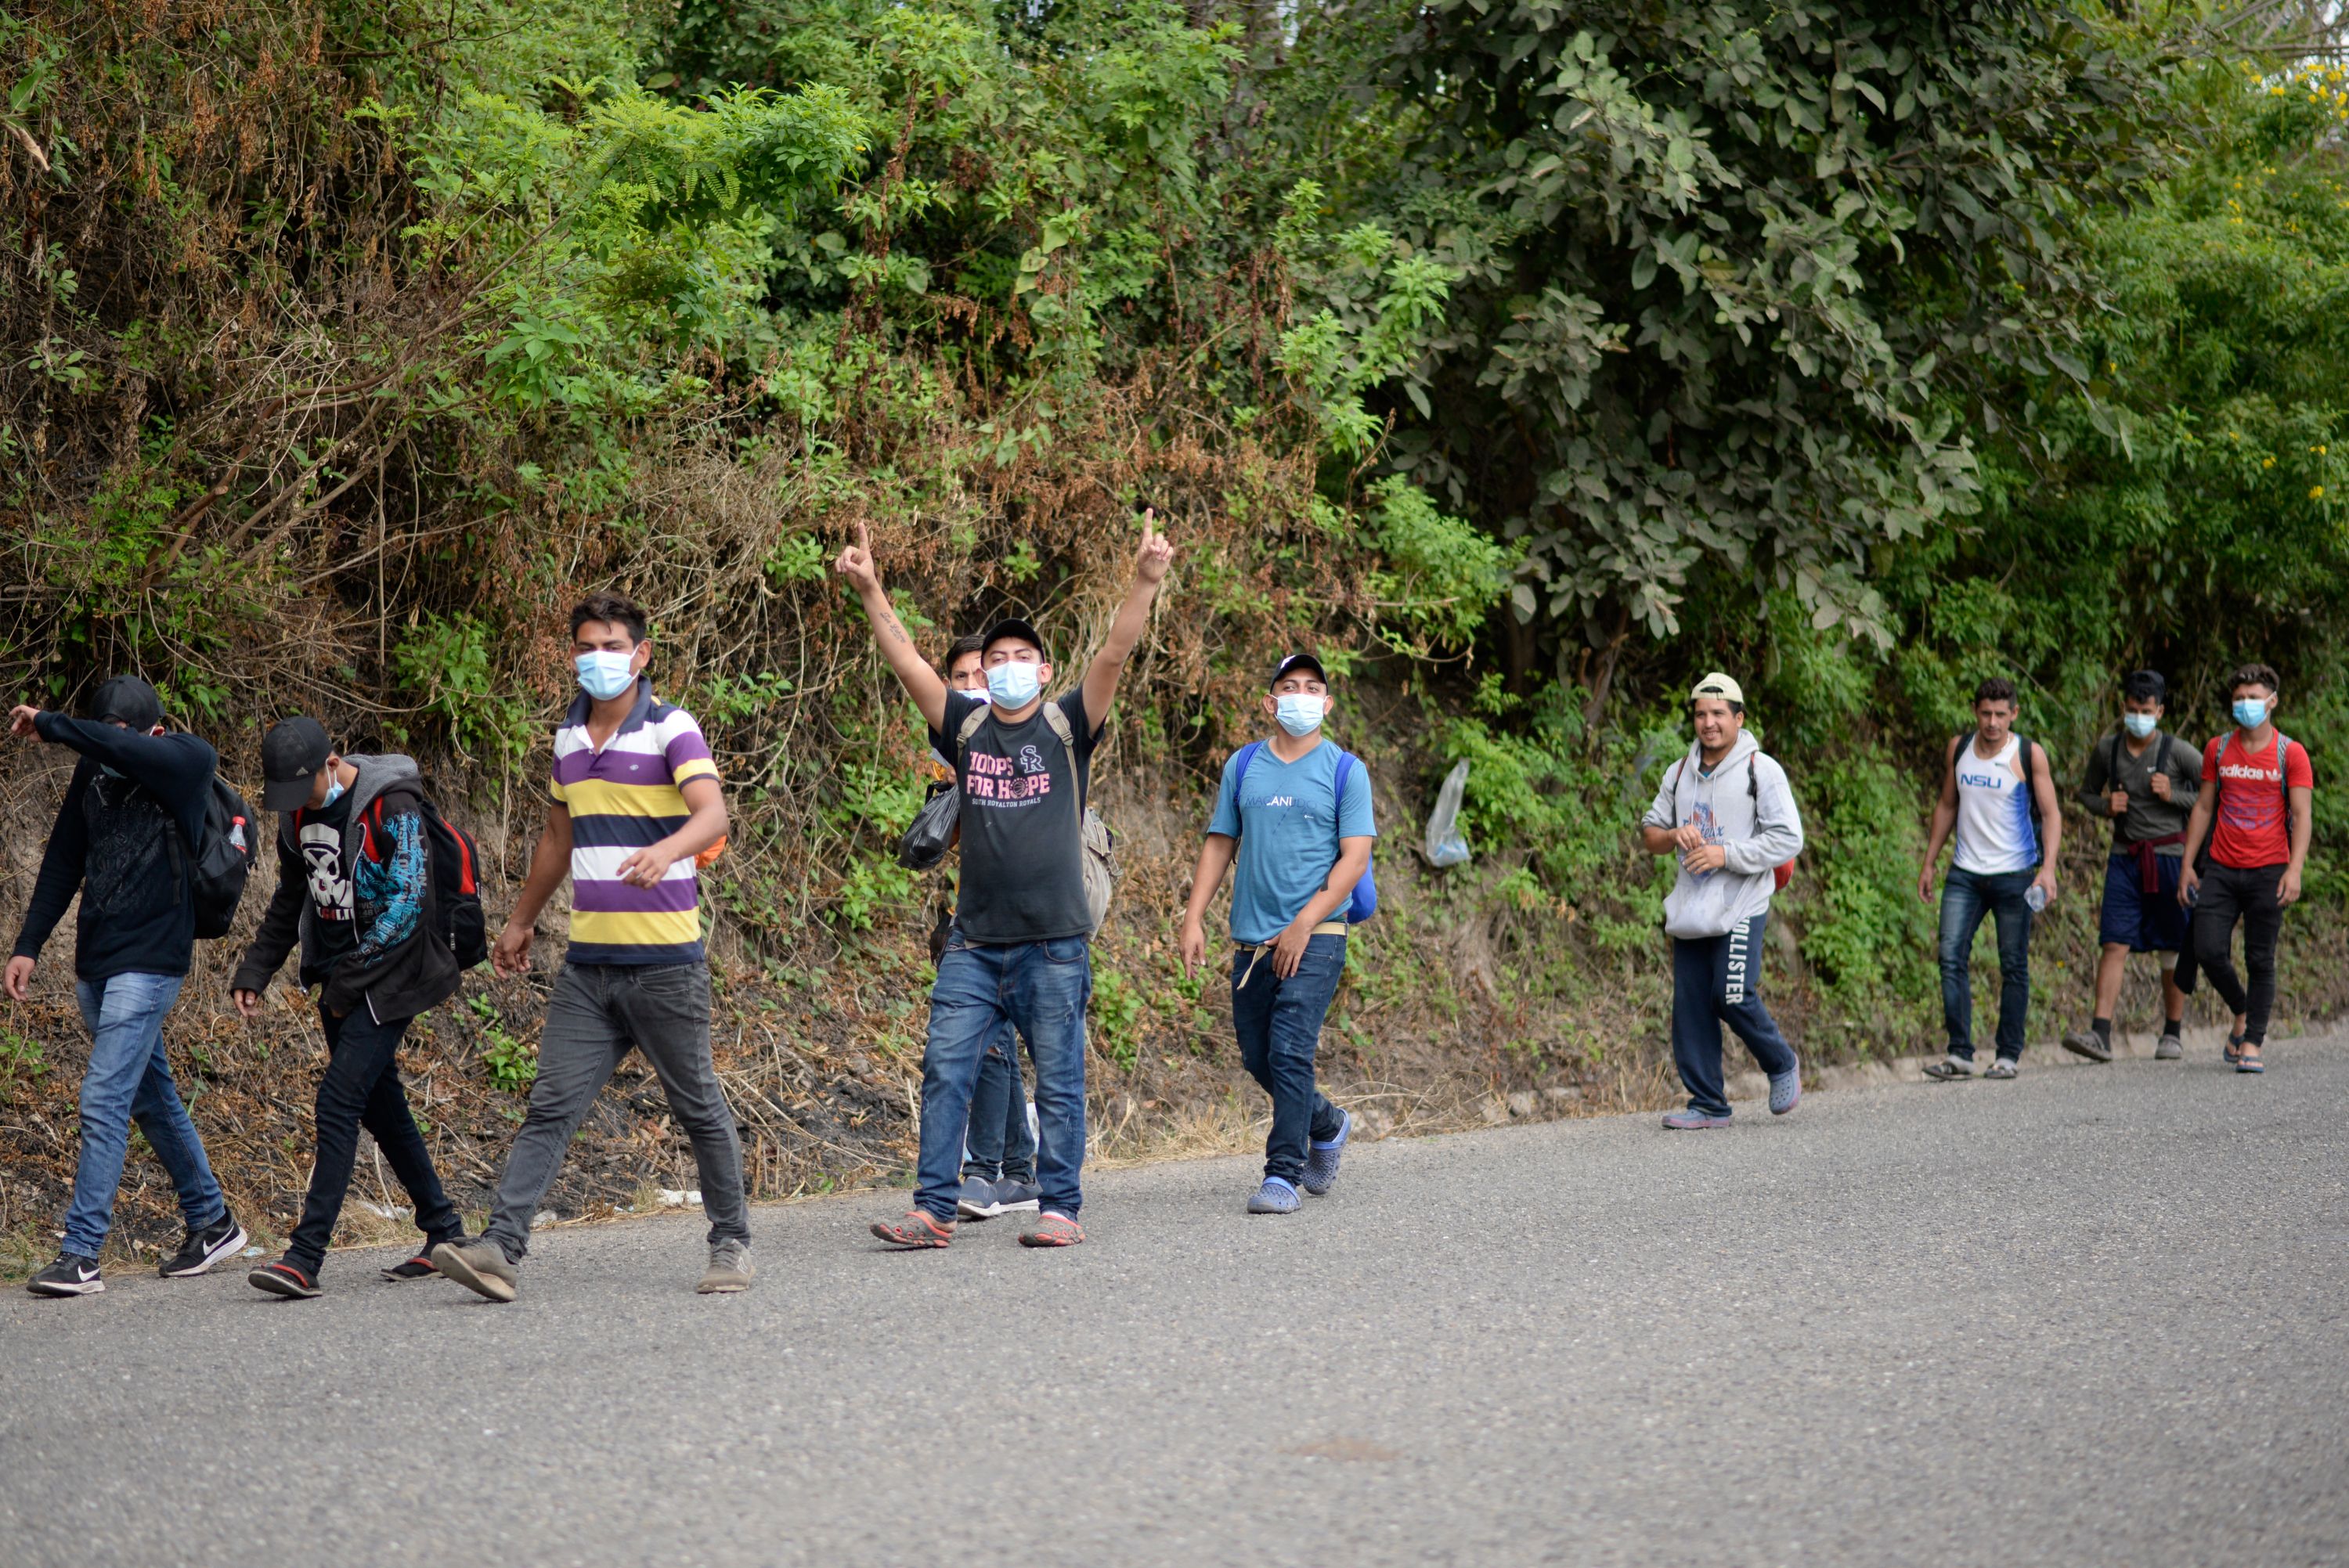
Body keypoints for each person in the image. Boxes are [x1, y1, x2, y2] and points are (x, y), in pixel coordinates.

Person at [842, 513, 1174, 1250]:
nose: (1011, 664)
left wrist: (1146, 579)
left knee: (1058, 1080)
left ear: (1046, 670)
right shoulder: (965, 728)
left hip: (1054, 945)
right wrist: (870, 587)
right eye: (999, 656)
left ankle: (1061, 1207)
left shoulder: (1066, 726)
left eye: (1026, 655)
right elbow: (907, 664)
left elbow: (1116, 651)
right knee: (945, 1070)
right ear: (984, 671)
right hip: (974, 944)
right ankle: (932, 1209)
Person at [432, 593, 751, 1300]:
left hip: (666, 964)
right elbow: (556, 839)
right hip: (588, 967)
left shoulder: (674, 729)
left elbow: (713, 814)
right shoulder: (569, 740)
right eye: (585, 646)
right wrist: (520, 920)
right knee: (550, 1105)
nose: (596, 658)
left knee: (697, 1105)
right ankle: (500, 1250)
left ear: (641, 655)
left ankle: (730, 1243)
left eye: (611, 645)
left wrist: (666, 850)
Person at [6, 680, 246, 1297]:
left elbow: (123, 747)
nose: (109, 747)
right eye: (102, 732)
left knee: (104, 1097)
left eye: (121, 735)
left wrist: (56, 724)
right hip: (98, 962)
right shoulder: (95, 770)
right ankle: (213, 1220)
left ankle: (81, 1253)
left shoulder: (187, 762)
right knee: (150, 1096)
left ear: (152, 734)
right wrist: (28, 944)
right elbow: (63, 858)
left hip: (152, 960)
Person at [229, 717, 468, 1298]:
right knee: (381, 1106)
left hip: (395, 975)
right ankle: (445, 1230)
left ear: (331, 764)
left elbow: (408, 903)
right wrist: (257, 968)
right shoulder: (297, 813)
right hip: (341, 976)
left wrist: (351, 983)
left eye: (304, 789)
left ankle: (303, 1256)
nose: (297, 805)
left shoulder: (394, 805)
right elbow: (292, 895)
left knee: (337, 1102)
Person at [1178, 653, 1375, 1210]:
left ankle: (1282, 1174)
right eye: (1289, 686)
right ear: (1270, 702)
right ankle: (1327, 1120)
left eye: (1313, 688)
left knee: (1289, 1049)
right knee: (1258, 1056)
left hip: (1319, 934)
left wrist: (1305, 922)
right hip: (1251, 941)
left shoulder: (1344, 770)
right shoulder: (1243, 767)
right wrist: (1194, 916)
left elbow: (1354, 859)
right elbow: (1220, 842)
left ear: (1327, 704)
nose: (1301, 696)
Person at [1636, 673, 1805, 1129]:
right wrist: (1672, 835)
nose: (1708, 723)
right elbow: (1650, 833)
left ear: (1738, 718)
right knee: (1690, 1004)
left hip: (1743, 901)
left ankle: (1781, 1062)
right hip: (1693, 905)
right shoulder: (1678, 773)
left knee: (1731, 995)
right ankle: (1708, 1104)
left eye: (1718, 714)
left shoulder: (1761, 770)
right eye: (1700, 714)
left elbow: (1788, 838)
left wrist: (1725, 854)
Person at [933, 633, 1040, 1222]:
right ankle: (1020, 1170)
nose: (975, 687)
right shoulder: (953, 737)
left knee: (992, 1041)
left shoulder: (1037, 735)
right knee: (993, 1036)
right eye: (962, 678)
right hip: (972, 912)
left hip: (1037, 913)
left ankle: (980, 1172)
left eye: (984, 673)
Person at [1918, 678, 2062, 1080]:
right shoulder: (1959, 749)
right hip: (1965, 872)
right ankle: (1960, 1053)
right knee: (1950, 957)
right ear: (1975, 712)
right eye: (1986, 713)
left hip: (2015, 875)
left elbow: (2051, 814)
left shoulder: (2029, 754)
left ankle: (2008, 1055)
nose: (1993, 722)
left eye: (2001, 714)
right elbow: (1947, 804)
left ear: (2013, 713)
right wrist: (1930, 862)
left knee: (2013, 964)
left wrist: (2047, 869)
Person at [2178, 663, 2312, 1076]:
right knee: (2208, 949)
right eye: (2239, 698)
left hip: (2269, 868)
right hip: (2220, 865)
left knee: (2260, 959)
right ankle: (2241, 1009)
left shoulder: (2289, 753)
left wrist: (2295, 869)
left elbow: (2302, 815)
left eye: (2254, 698)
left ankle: (2252, 1040)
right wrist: (2188, 864)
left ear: (2272, 701)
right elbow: (2203, 806)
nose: (2246, 705)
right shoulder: (2218, 748)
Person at [2061, 671, 2196, 1065]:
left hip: (2170, 857)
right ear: (2124, 708)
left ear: (2160, 711)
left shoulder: (2178, 751)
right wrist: (2106, 806)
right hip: (2125, 858)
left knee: (2171, 948)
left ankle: (2172, 1032)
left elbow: (2213, 794)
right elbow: (2085, 792)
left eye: (2147, 710)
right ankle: (2100, 1034)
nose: (2139, 716)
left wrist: (2175, 796)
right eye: (2133, 710)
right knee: (2113, 942)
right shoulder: (2108, 750)